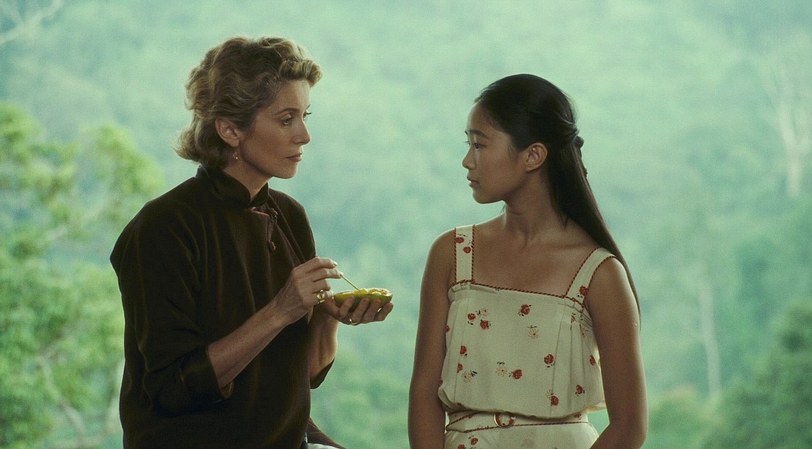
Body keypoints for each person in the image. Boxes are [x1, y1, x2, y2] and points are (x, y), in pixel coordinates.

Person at [110, 36, 393, 449]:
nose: (304, 135)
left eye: (305, 116)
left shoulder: (289, 216)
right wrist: (280, 311)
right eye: (286, 119)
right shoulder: (163, 227)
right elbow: (173, 389)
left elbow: (304, 375)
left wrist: (327, 317)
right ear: (230, 130)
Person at [408, 74, 647, 449]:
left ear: (533, 155)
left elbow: (629, 425)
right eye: (468, 145)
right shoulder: (452, 254)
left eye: (479, 145)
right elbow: (424, 394)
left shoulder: (599, 273)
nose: (467, 161)